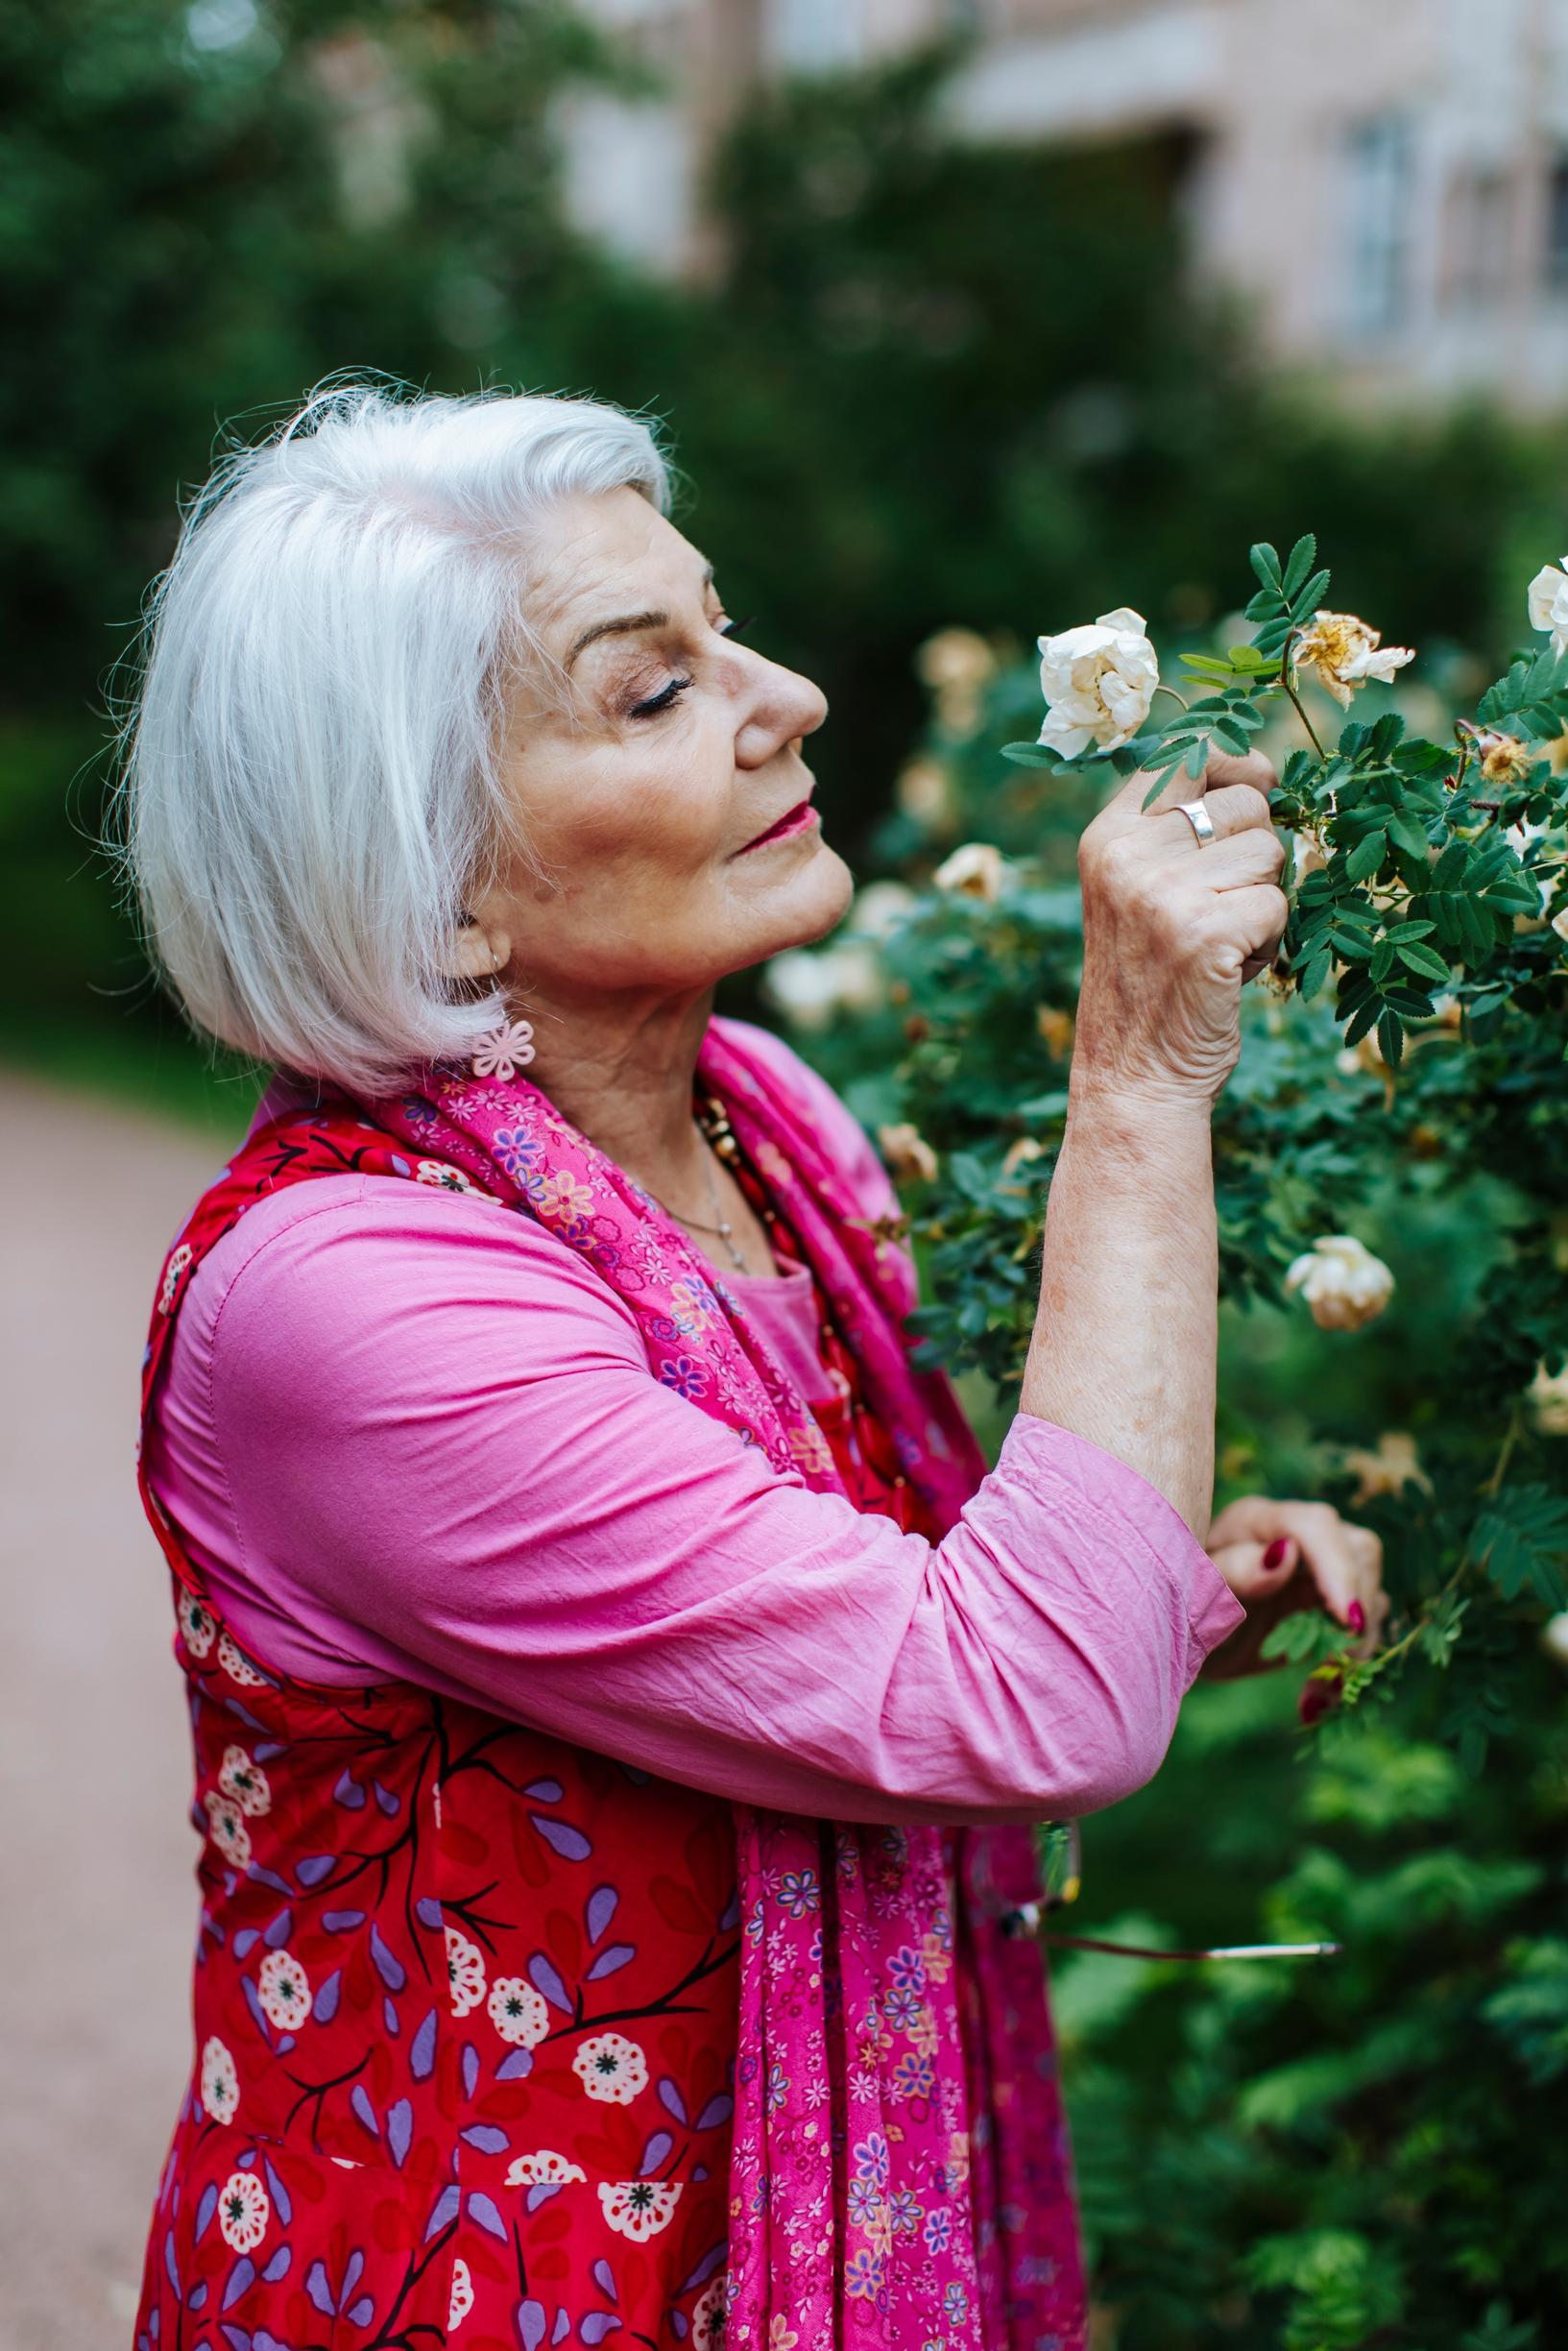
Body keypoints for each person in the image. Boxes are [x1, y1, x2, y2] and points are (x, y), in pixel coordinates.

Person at [121, 384, 1387, 2351]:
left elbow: (870, 1625)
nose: (782, 693)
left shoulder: (765, 1119)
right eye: (650, 693)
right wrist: (1139, 1083)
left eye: (725, 629)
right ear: (426, 865)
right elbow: (1016, 1707)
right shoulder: (350, 1308)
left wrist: (1163, 1596)